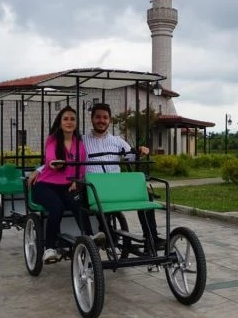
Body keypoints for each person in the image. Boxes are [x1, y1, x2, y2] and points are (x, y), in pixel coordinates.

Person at [30, 103, 160, 244]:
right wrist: (39, 169)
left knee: (146, 196)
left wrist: (140, 151)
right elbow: (62, 156)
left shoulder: (118, 142)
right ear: (92, 119)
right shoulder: (82, 141)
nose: (101, 120)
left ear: (109, 120)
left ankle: (151, 237)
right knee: (78, 197)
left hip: (115, 186)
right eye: (98, 117)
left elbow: (132, 157)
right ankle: (96, 233)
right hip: (92, 187)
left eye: (105, 117)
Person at [31, 106, 92, 263]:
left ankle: (90, 239)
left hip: (67, 187)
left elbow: (82, 166)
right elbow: (50, 158)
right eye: (66, 119)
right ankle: (49, 248)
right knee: (56, 206)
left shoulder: (79, 144)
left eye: (72, 119)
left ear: (77, 123)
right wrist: (53, 163)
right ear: (60, 122)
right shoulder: (52, 140)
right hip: (45, 186)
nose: (69, 122)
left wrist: (76, 181)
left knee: (79, 203)